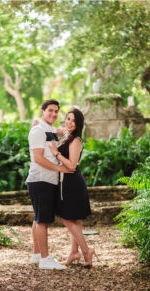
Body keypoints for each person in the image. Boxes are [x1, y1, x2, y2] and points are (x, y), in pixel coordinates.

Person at [26, 99, 72, 270]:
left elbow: (68, 132)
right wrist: (59, 168)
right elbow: (38, 158)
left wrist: (63, 131)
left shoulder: (50, 130)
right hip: (40, 179)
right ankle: (45, 259)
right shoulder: (38, 131)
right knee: (43, 220)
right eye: (50, 110)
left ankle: (37, 255)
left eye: (56, 111)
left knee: (38, 218)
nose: (53, 114)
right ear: (42, 111)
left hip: (48, 180)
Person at [49, 108, 99, 267]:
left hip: (72, 182)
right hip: (67, 181)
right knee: (74, 218)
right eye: (68, 119)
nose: (69, 123)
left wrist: (56, 153)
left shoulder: (75, 140)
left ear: (79, 125)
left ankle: (86, 250)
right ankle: (74, 253)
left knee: (65, 217)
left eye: (73, 121)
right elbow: (52, 129)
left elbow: (71, 165)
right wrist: (38, 124)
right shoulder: (66, 134)